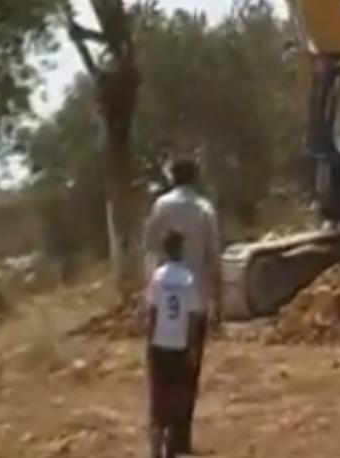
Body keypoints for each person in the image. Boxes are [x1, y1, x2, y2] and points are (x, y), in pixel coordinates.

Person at [143, 156, 222, 455]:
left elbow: (149, 248)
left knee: (160, 377)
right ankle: (180, 437)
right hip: (195, 305)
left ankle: (157, 434)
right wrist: (219, 300)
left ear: (172, 177)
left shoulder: (160, 207)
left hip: (162, 302)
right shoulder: (205, 210)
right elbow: (214, 257)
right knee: (188, 375)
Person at [146, 229, 202, 458]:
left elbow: (152, 312)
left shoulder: (158, 277)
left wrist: (149, 342)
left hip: (160, 344)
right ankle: (172, 448)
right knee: (178, 398)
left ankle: (155, 450)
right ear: (181, 249)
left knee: (158, 398)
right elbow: (192, 317)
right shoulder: (188, 279)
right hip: (180, 346)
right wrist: (193, 347)